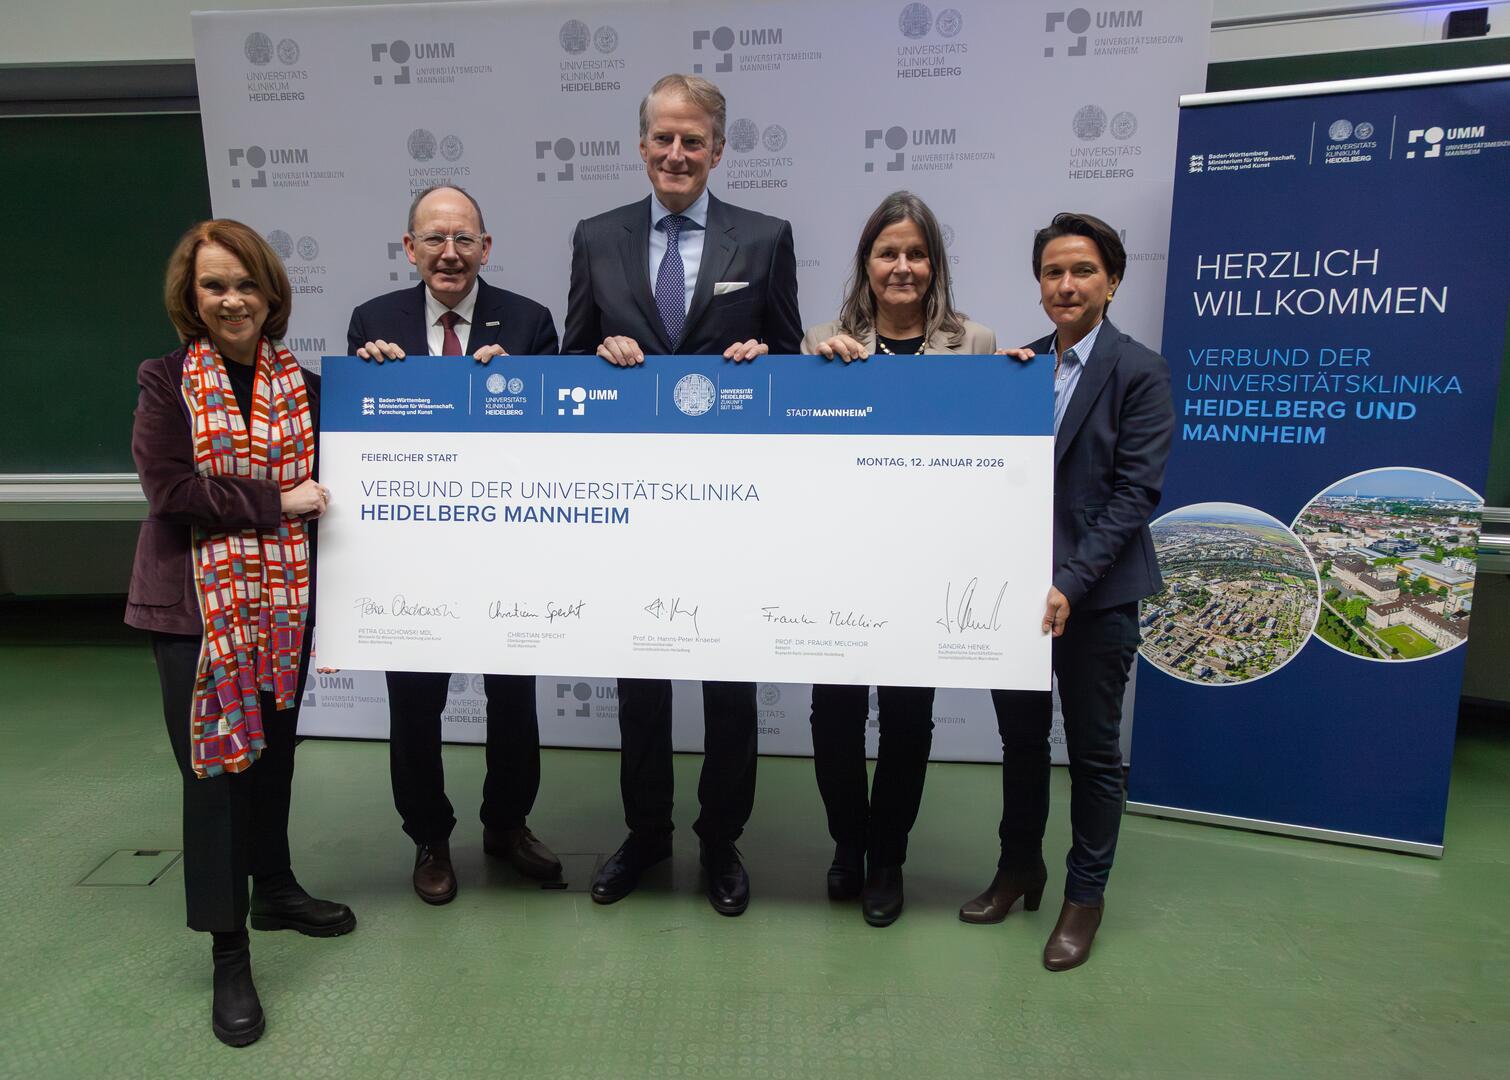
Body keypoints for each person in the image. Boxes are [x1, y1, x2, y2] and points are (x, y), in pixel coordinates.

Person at [563, 73, 802, 916]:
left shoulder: (766, 238)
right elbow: (568, 367)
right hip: (633, 509)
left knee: (731, 681)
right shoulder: (596, 237)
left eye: (692, 140)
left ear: (717, 151)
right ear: (641, 145)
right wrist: (597, 360)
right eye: (663, 138)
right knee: (641, 681)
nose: (676, 153)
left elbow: (792, 365)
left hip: (733, 511)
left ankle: (721, 840)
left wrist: (767, 359)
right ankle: (647, 832)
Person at [128, 219, 353, 1047]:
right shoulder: (164, 382)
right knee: (218, 775)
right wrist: (275, 501)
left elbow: (360, 460)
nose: (232, 300)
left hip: (280, 609)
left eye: (246, 284)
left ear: (271, 294)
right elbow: (171, 488)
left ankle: (278, 886)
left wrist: (391, 377)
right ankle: (230, 952)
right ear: (192, 298)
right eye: (214, 286)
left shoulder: (307, 385)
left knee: (276, 753)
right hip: (196, 612)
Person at [958, 212, 1173, 972]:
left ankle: (1085, 896)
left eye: (1082, 270)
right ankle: (1020, 869)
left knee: (1091, 753)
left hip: (1098, 597)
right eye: (1053, 272)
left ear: (1112, 282)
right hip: (1017, 598)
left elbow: (1133, 496)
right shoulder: (1017, 368)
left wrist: (1070, 585)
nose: (1067, 284)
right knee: (1020, 743)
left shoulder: (1139, 371)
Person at [346, 184, 562, 904]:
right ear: (409, 248)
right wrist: (369, 378)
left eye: (464, 239)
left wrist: (520, 388)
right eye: (434, 239)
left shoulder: (530, 324)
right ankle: (429, 838)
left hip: (507, 550)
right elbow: (361, 438)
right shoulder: (372, 323)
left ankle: (506, 824)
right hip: (412, 558)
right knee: (413, 703)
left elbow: (559, 444)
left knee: (513, 697)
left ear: (486, 248)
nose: (449, 253)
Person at [800, 191, 995, 927]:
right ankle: (848, 844)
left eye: (916, 253)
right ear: (867, 264)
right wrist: (815, 371)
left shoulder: (975, 342)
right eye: (889, 253)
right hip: (842, 565)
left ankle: (889, 858)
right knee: (834, 715)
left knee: (910, 720)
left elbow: (989, 447)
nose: (903, 266)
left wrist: (1012, 381)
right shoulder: (821, 338)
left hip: (927, 567)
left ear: (934, 263)